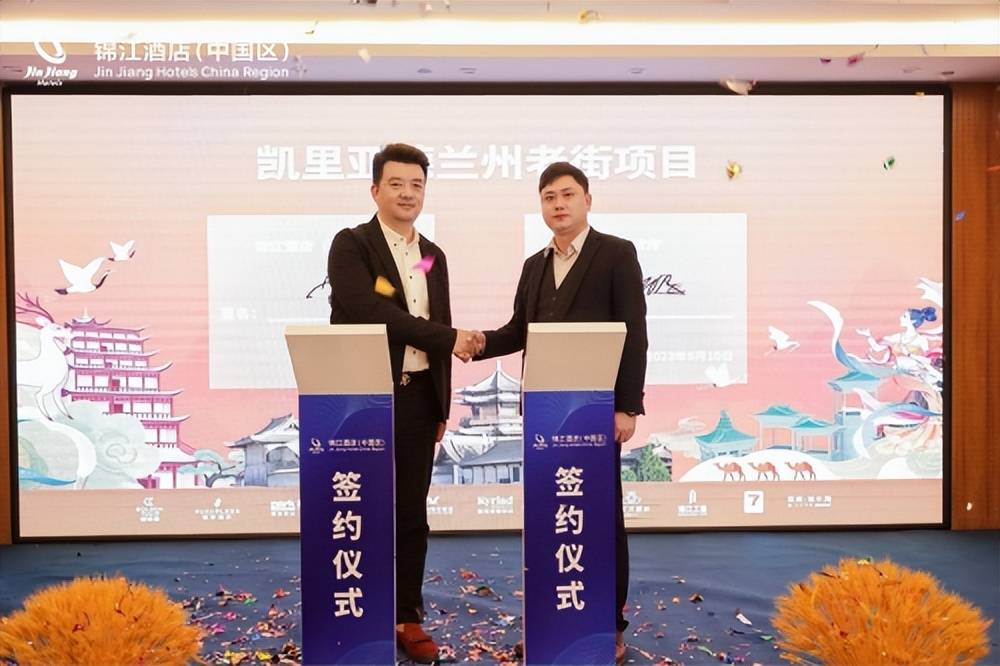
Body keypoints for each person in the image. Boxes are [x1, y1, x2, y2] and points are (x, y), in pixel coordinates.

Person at [475, 161, 648, 665]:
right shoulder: (534, 265)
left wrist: (627, 406)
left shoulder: (616, 254)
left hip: (595, 414)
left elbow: (634, 333)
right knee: (551, 519)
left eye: (567, 194)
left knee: (602, 520)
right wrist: (475, 343)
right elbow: (518, 332)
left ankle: (608, 626)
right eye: (549, 197)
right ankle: (552, 621)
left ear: (587, 200)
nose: (558, 204)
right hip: (546, 418)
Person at [326, 143, 483, 663]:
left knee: (412, 511)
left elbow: (438, 318)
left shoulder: (430, 254)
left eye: (416, 185)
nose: (407, 193)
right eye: (396, 184)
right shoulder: (352, 245)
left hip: (418, 399)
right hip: (363, 396)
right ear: (376, 190)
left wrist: (442, 404)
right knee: (358, 505)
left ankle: (405, 615)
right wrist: (449, 338)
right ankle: (354, 604)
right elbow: (371, 310)